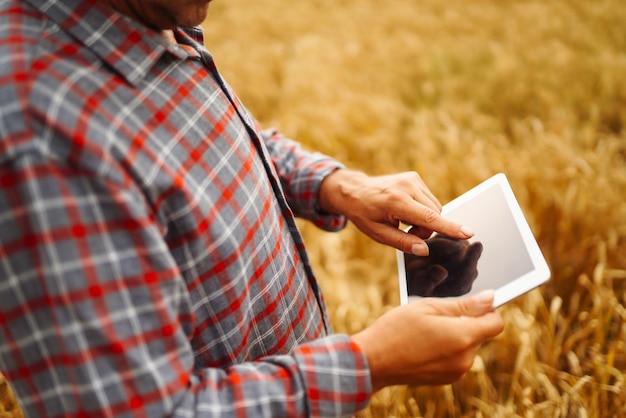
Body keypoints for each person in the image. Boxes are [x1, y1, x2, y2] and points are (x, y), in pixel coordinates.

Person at [0, 0, 504, 416]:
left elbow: (199, 140)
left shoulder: (146, 15)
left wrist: (337, 185)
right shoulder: (35, 137)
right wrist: (369, 363)